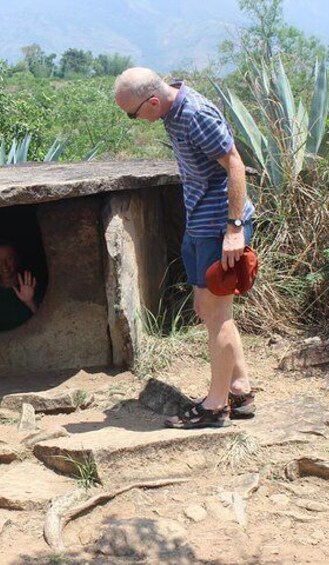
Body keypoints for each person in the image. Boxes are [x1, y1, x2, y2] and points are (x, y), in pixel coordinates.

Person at [114, 67, 256, 429]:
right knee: (208, 309)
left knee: (216, 311)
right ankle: (239, 388)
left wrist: (235, 228)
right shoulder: (171, 114)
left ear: (154, 101)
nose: (134, 120)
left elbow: (235, 165)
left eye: (133, 113)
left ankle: (214, 406)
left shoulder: (194, 116)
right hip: (199, 224)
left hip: (219, 226)